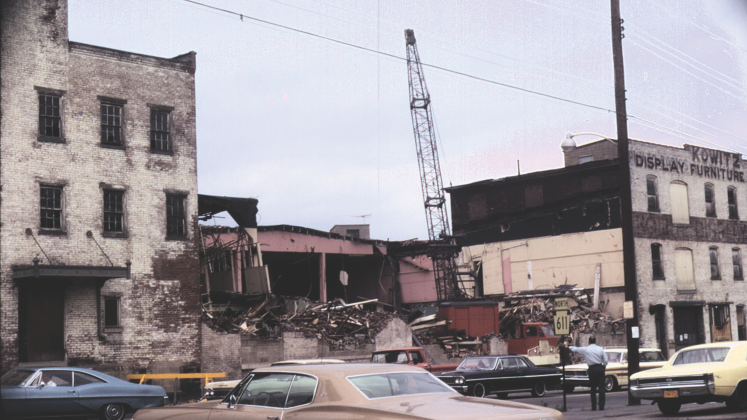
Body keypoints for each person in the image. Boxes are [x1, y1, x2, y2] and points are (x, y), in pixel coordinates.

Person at [563, 337, 608, 411]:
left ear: (589, 341)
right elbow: (605, 360)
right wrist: (603, 367)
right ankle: (601, 406)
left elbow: (576, 349)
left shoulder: (586, 349)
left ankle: (593, 407)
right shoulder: (600, 349)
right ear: (595, 341)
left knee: (593, 388)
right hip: (600, 368)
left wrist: (567, 347)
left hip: (592, 368)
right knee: (601, 388)